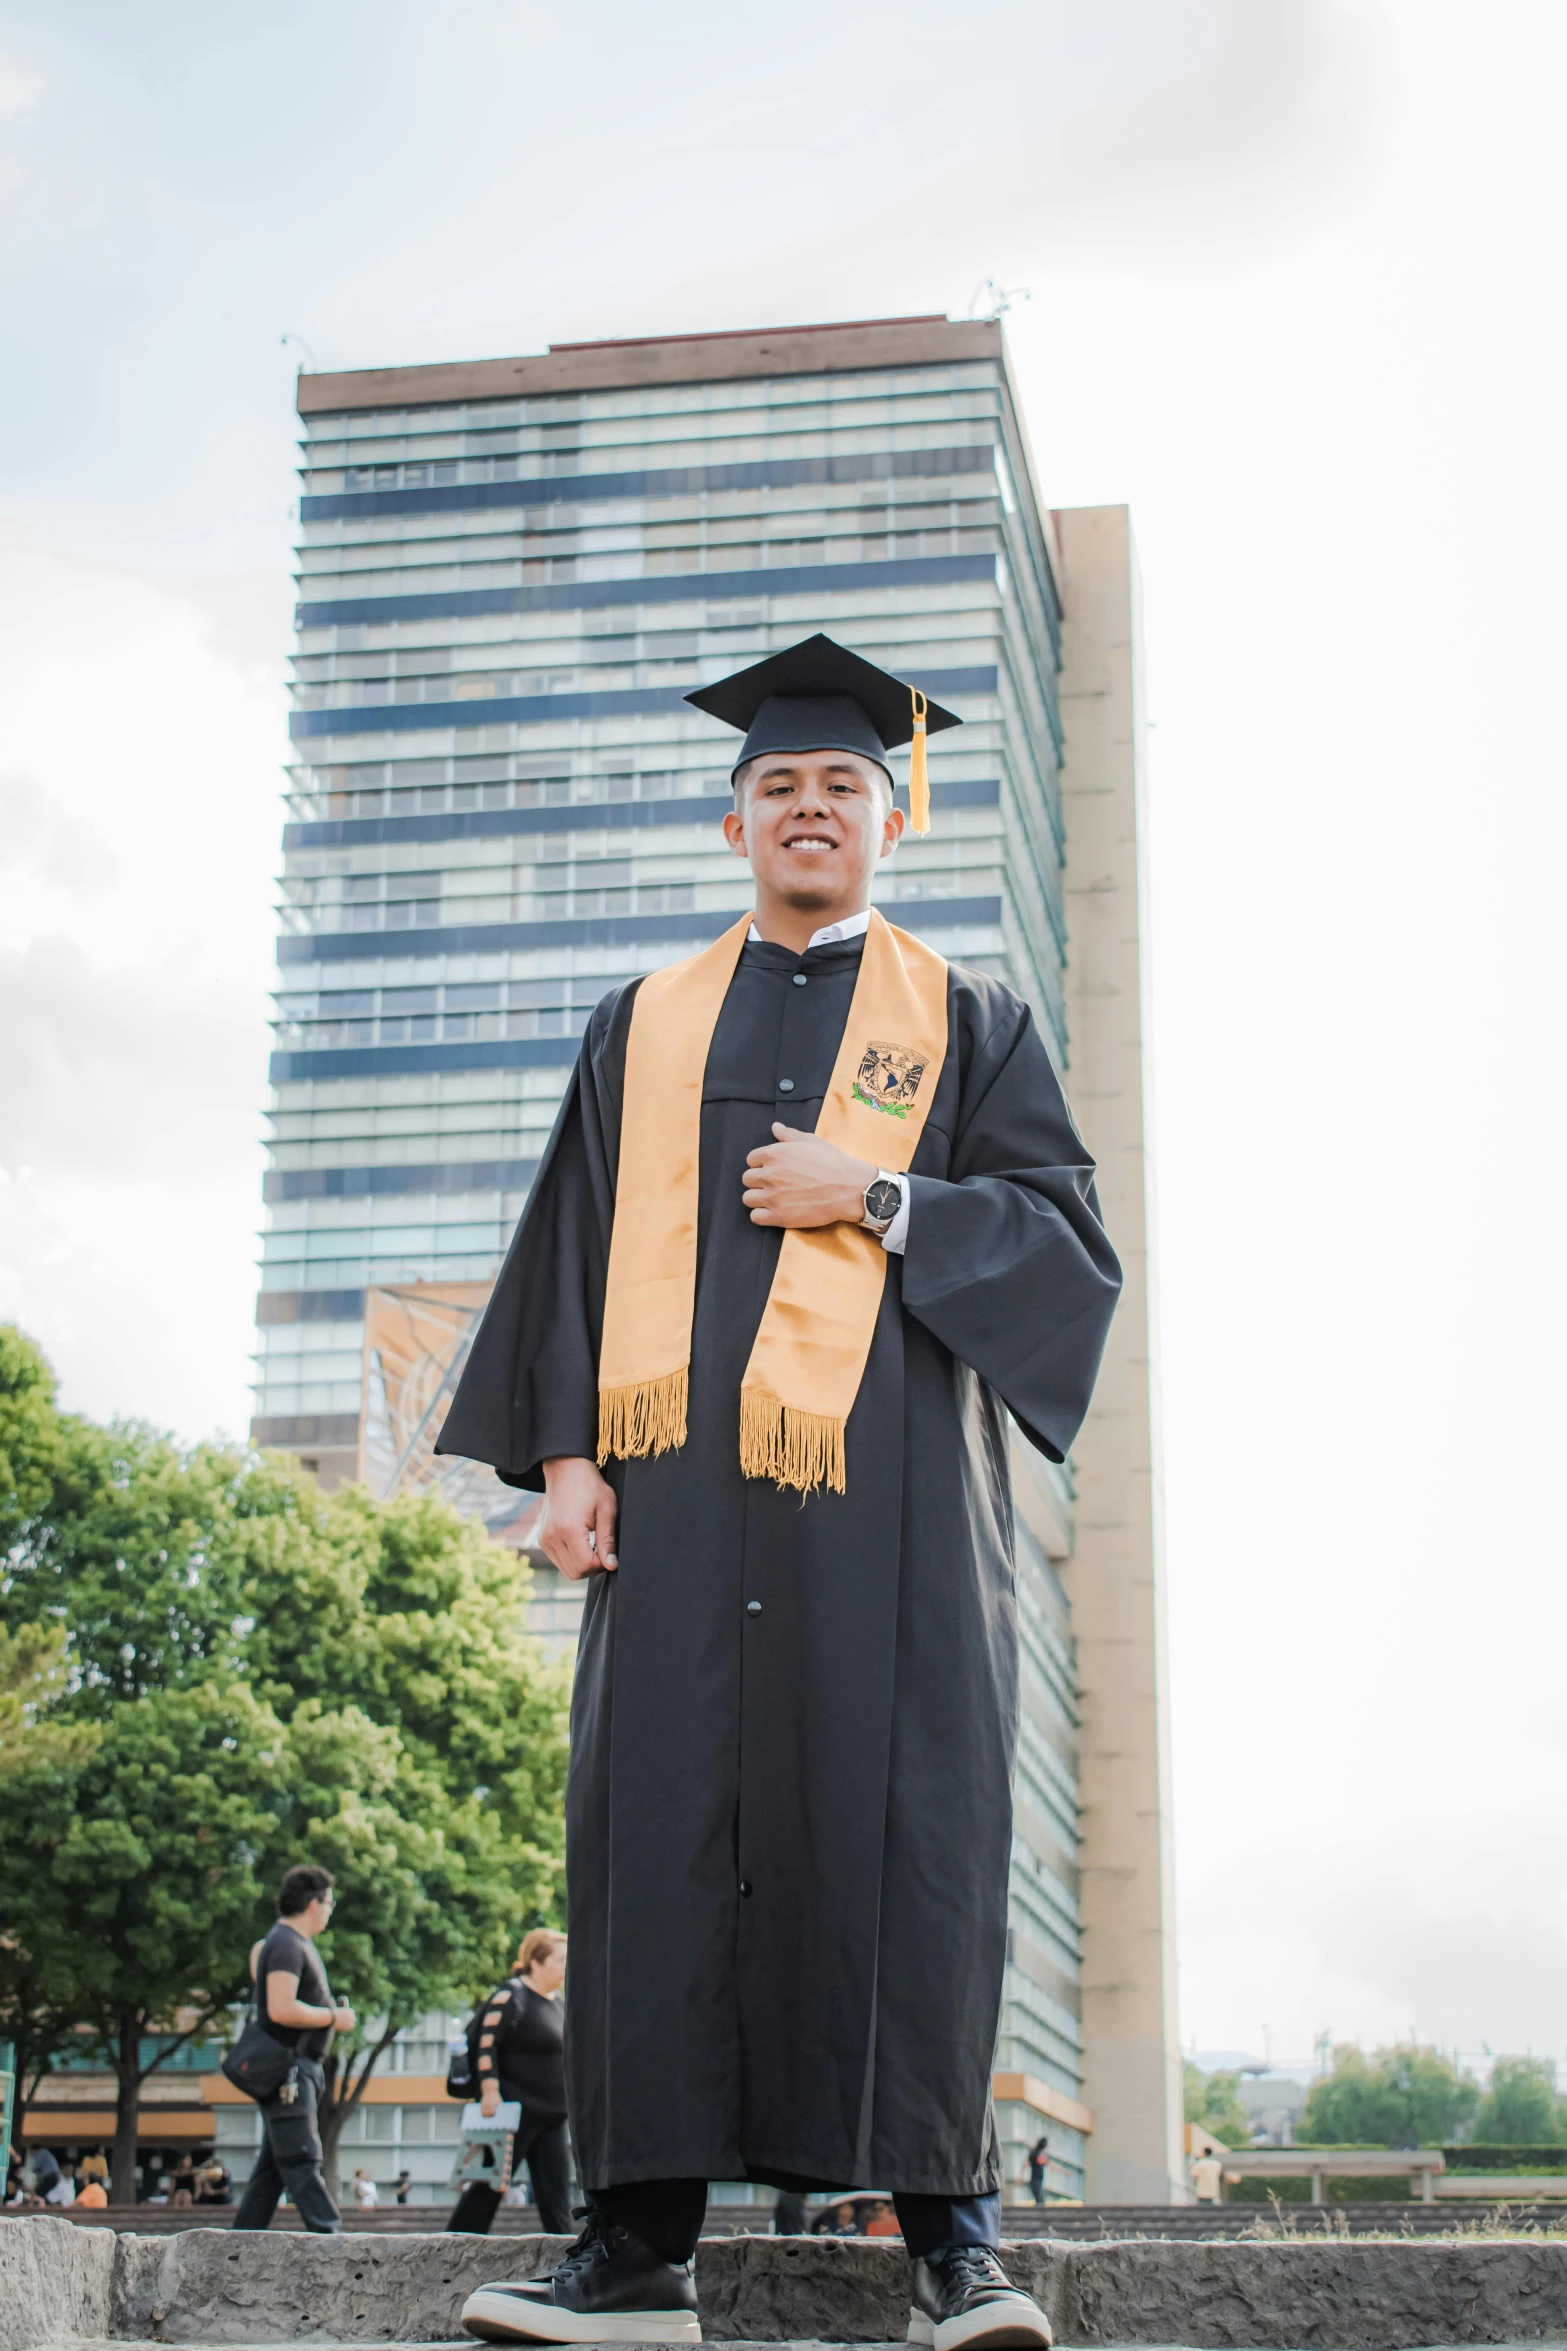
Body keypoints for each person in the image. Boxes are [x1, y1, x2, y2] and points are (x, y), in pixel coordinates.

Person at [439, 634, 1121, 2351]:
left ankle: (955, 2246)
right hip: (668, 1518)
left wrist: (872, 1191)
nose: (809, 810)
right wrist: (569, 1465)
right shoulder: (645, 1022)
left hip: (880, 1518)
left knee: (903, 1832)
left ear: (892, 824)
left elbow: (1064, 1255)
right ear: (733, 821)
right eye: (778, 788)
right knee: (657, 1842)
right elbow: (573, 1248)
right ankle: (633, 2250)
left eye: (841, 788)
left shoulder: (966, 1022)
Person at [231, 1862, 355, 2236]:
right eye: (329, 1903)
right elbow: (281, 2008)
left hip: (296, 2070)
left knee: (272, 2171)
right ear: (313, 1903)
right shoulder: (286, 1943)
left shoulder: (285, 1942)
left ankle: (234, 2248)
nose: (330, 1911)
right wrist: (333, 2018)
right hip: (290, 2071)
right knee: (302, 2159)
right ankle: (333, 2242)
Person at [447, 1930, 572, 2236]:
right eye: (560, 1960)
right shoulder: (510, 1996)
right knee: (486, 2190)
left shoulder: (560, 2004)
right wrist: (490, 2090)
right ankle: (452, 2249)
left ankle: (566, 2258)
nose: (566, 1967)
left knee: (557, 2197)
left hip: (553, 2116)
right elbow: (486, 2045)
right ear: (535, 1962)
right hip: (510, 2114)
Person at [1025, 2136, 1049, 2207]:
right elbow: (1026, 2164)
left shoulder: (1039, 2154)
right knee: (1039, 2200)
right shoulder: (1034, 2154)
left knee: (1041, 2199)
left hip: (1039, 2180)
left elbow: (1049, 2163)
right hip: (1035, 2180)